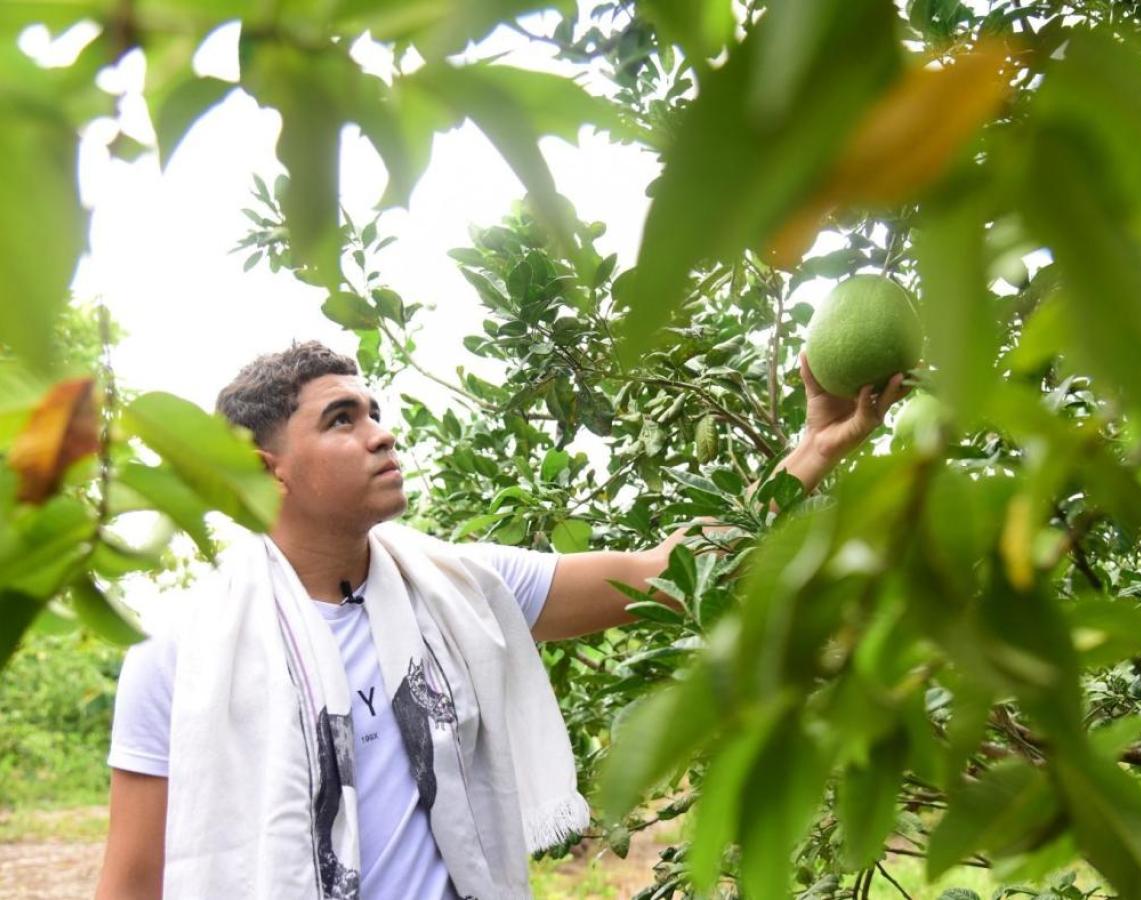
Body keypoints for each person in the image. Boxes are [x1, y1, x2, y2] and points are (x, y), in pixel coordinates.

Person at [95, 340, 908, 899]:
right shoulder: (179, 653)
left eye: (374, 410)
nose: (383, 434)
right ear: (264, 470)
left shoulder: (457, 589)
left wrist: (814, 451)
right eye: (342, 420)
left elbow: (664, 575)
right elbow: (133, 880)